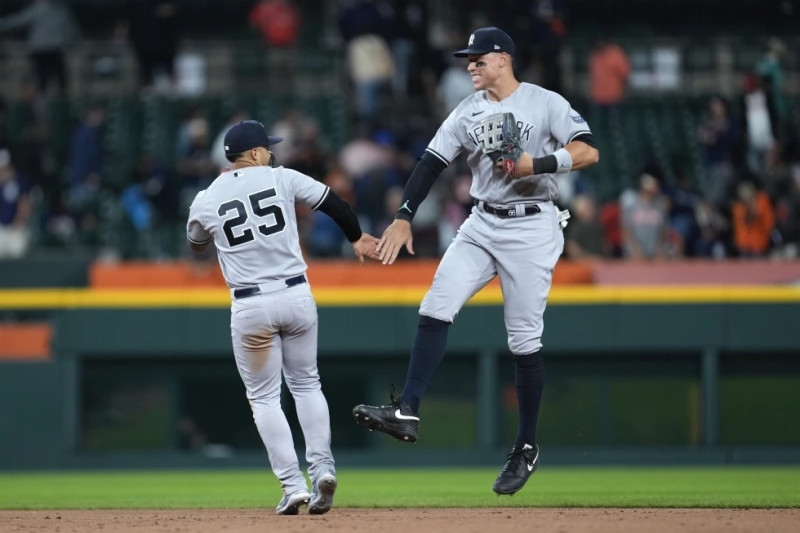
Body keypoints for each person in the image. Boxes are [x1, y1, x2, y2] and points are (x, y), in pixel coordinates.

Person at [352, 27, 598, 496]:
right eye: (468, 59)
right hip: (482, 221)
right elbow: (429, 163)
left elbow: (588, 150)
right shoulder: (468, 111)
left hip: (532, 225)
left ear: (503, 59)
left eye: (478, 59)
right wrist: (404, 216)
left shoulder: (545, 102)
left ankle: (525, 446)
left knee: (523, 340)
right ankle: (408, 409)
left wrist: (537, 164)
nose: (470, 66)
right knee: (435, 306)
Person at [186, 120, 379, 515]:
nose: (271, 152)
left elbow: (196, 244)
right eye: (266, 148)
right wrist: (357, 237)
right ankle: (323, 467)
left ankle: (293, 487)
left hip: (250, 304)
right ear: (254, 153)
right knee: (307, 384)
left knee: (263, 399)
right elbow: (335, 203)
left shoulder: (206, 198)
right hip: (295, 295)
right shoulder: (282, 178)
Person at [0, 0, 79, 97]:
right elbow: (71, 30)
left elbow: (17, 20)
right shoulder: (59, 11)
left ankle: (54, 104)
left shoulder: (45, 10)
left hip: (47, 51)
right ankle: (53, 102)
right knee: (56, 81)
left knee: (48, 81)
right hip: (51, 51)